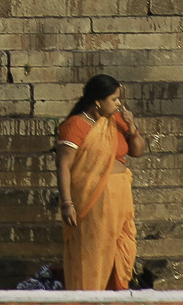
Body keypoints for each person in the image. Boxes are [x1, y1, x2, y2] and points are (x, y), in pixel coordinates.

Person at [54, 74, 146, 291]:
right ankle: (89, 300)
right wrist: (67, 203)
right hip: (93, 199)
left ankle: (118, 297)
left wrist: (132, 127)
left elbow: (138, 151)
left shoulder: (117, 121)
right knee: (94, 251)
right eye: (114, 99)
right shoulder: (75, 125)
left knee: (122, 248)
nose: (119, 104)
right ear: (98, 102)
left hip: (121, 196)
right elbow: (63, 166)